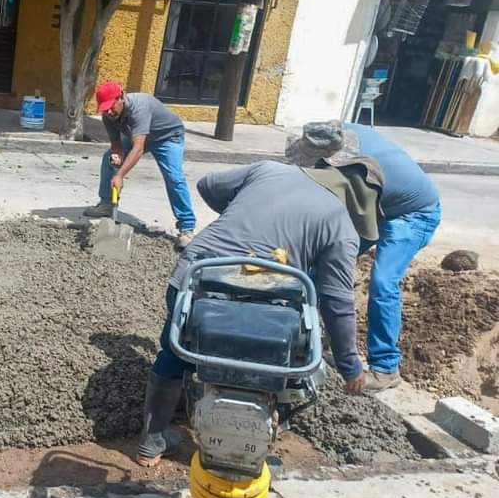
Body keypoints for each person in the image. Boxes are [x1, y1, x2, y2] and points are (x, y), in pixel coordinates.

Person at [134, 158, 384, 466]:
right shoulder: (342, 226)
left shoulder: (269, 169)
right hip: (266, 300)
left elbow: (208, 185)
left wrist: (242, 214)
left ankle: (151, 441)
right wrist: (350, 366)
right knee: (283, 358)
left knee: (176, 350)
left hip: (197, 273)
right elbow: (336, 301)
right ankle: (255, 437)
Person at [286, 120, 441, 393]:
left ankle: (386, 368)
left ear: (331, 157)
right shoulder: (337, 132)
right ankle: (312, 338)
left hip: (413, 214)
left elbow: (355, 221)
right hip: (380, 203)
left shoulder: (360, 169)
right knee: (317, 267)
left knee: (382, 283)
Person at [82, 82, 197, 248]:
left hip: (167, 137)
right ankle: (107, 204)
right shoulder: (109, 115)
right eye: (104, 108)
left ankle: (187, 227)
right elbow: (115, 142)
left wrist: (120, 175)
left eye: (111, 106)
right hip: (137, 136)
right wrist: (117, 155)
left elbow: (138, 147)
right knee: (108, 158)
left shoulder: (139, 108)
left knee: (174, 177)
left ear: (121, 97)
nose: (107, 111)